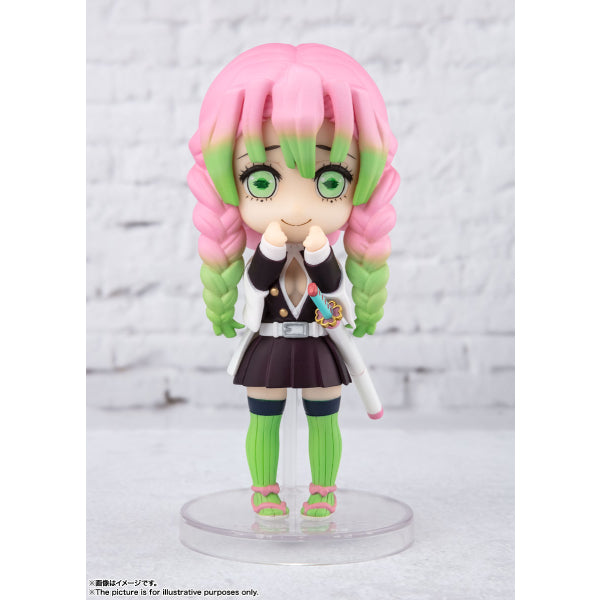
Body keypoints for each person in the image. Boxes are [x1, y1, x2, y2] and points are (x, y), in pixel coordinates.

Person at [189, 43, 398, 518]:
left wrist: (321, 256)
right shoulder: (264, 255)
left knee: (324, 419)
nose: (298, 208)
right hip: (269, 347)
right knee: (264, 419)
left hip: (318, 348)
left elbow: (335, 296)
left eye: (330, 181)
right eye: (262, 180)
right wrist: (269, 249)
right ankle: (264, 490)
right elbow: (256, 284)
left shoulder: (326, 258)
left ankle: (323, 490)